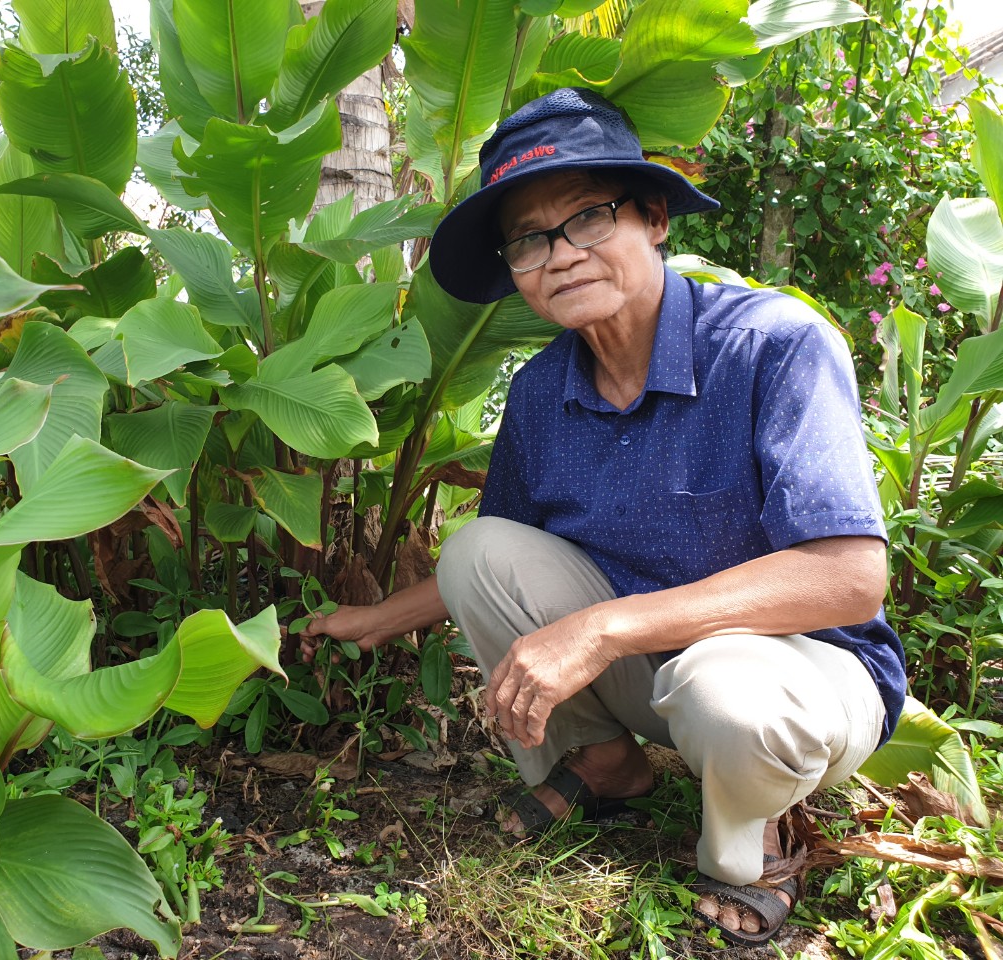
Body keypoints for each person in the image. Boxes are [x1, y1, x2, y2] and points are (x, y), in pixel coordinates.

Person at [299, 87, 906, 947]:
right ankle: (607, 764)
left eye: (588, 218)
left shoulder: (773, 342)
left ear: (653, 217)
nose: (562, 255)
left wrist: (603, 629)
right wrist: (372, 622)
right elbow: (493, 566)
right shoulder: (544, 390)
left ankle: (750, 842)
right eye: (531, 238)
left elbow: (848, 578)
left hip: (797, 680)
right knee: (478, 544)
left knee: (725, 688)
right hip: (653, 670)